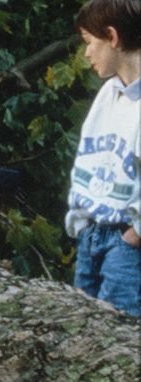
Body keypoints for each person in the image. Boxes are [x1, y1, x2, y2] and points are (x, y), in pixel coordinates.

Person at [65, 0, 141, 316]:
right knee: (79, 329)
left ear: (112, 36)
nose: (86, 54)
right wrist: (81, 222)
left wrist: (134, 235)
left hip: (127, 243)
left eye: (89, 43)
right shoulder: (107, 95)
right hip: (92, 234)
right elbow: (87, 158)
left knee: (117, 341)